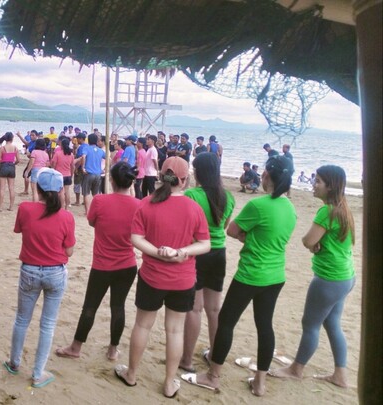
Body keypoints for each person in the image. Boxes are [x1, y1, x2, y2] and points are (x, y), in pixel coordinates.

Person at [182, 155, 296, 397]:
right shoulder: (289, 207)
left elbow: (233, 230)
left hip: (248, 272)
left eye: (264, 173)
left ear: (268, 176)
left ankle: (209, 374)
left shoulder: (259, 205)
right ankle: (259, 383)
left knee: (221, 319)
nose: (262, 176)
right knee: (264, 326)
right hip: (275, 274)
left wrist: (249, 238)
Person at [114, 157, 211, 398]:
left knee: (142, 325)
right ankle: (169, 382)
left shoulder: (146, 203)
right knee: (175, 331)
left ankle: (132, 374)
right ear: (185, 180)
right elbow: (205, 244)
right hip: (183, 280)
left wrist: (159, 252)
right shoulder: (193, 208)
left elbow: (136, 238)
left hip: (152, 277)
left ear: (161, 174)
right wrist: (181, 252)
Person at [269, 165, 355, 388]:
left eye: (318, 181)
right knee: (332, 323)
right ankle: (340, 375)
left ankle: (296, 369)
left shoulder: (327, 211)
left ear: (331, 186)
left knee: (310, 325)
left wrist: (313, 244)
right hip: (346, 276)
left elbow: (308, 240)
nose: (313, 185)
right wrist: (317, 244)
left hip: (329, 279)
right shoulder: (343, 208)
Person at [56, 162, 139, 361]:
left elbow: (92, 221)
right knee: (118, 307)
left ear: (111, 180)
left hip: (103, 265)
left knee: (90, 306)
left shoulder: (100, 201)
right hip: (127, 264)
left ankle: (76, 347)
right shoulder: (138, 205)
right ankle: (112, 350)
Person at [4, 168, 76, 389]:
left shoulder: (26, 209)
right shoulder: (66, 217)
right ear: (61, 190)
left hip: (30, 270)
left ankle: (15, 362)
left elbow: (19, 230)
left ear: (38, 188)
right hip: (55, 271)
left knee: (22, 319)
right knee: (47, 324)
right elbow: (70, 250)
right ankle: (37, 373)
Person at [179, 152, 235, 373]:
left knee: (195, 308)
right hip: (219, 252)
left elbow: (185, 225)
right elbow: (224, 225)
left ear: (199, 172)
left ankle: (187, 359)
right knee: (214, 309)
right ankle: (214, 354)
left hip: (198, 251)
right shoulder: (228, 196)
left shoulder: (192, 195)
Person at [80, 133, 106, 213]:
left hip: (89, 173)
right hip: (98, 174)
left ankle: (87, 211)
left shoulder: (87, 148)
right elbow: (109, 159)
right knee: (96, 193)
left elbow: (83, 157)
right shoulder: (100, 150)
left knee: (86, 193)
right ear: (96, 141)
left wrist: (83, 167)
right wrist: (105, 169)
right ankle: (97, 210)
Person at [0, 132, 19, 211]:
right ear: (12, 138)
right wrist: (13, 163)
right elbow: (18, 160)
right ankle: (11, 206)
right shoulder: (15, 148)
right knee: (11, 188)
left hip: (3, 166)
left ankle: (0, 207)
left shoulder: (2, 148)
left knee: (2, 188)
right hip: (11, 167)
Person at [51, 137, 74, 209]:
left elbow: (53, 164)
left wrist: (53, 172)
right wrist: (71, 174)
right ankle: (67, 207)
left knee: (59, 192)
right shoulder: (71, 154)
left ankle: (60, 206)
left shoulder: (57, 154)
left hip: (59, 175)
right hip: (68, 175)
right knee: (66, 192)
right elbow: (72, 166)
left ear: (62, 145)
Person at [24, 138, 50, 203]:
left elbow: (32, 162)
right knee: (40, 190)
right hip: (43, 171)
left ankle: (35, 204)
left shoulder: (34, 152)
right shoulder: (46, 154)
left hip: (35, 170)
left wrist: (27, 171)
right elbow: (47, 164)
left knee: (34, 190)